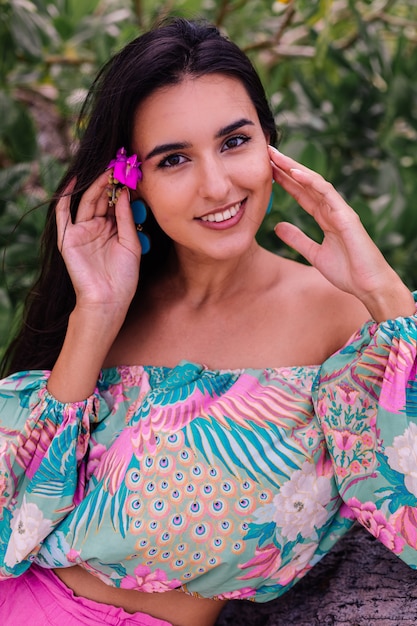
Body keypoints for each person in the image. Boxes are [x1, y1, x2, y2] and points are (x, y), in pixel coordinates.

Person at [0, 16, 416, 626]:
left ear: (270, 144)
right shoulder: (114, 310)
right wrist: (95, 314)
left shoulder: (340, 317)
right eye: (174, 160)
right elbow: (15, 514)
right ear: (129, 181)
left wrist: (386, 296)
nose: (217, 185)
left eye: (234, 142)